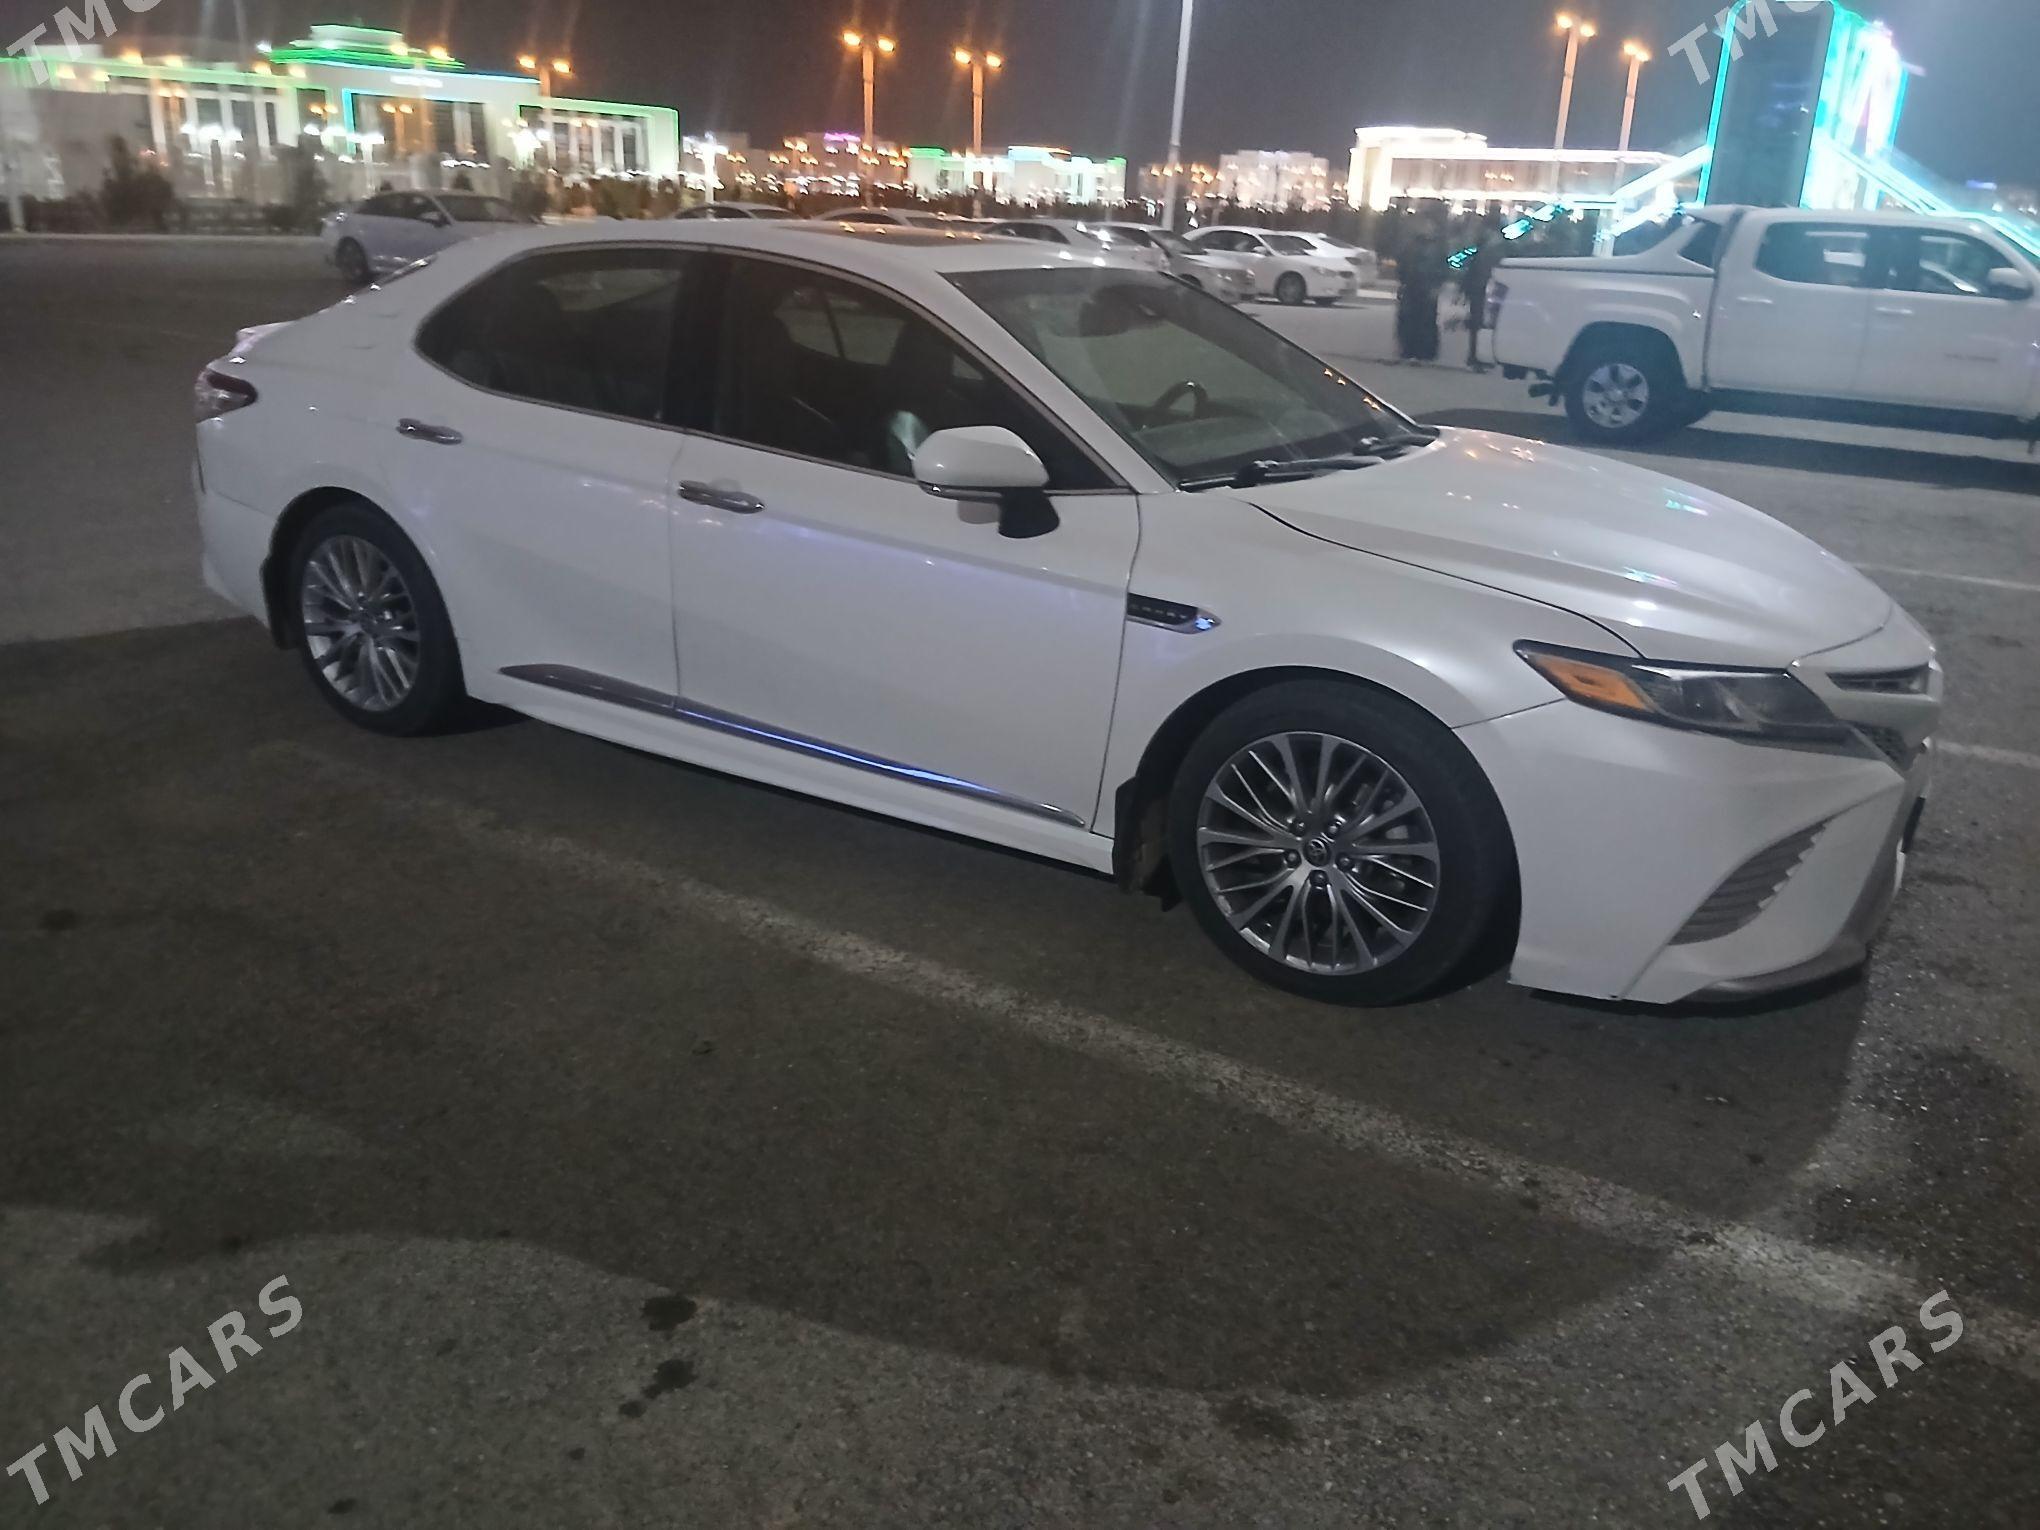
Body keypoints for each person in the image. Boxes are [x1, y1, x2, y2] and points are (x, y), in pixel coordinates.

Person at [1394, 213, 1445, 364]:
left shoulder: (1435, 247)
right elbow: (1403, 265)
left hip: (1426, 287)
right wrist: (1403, 282)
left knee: (1425, 320)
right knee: (1411, 319)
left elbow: (1441, 268)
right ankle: (1411, 349)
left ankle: (1423, 351)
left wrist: (1436, 285)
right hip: (1413, 286)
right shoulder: (1413, 245)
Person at [1459, 212, 1504, 371]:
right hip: (1484, 289)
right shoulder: (1492, 246)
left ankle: (1477, 356)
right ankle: (1477, 356)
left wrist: (1465, 288)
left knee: (1480, 324)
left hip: (1483, 289)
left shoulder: (1487, 246)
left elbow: (1474, 269)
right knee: (1480, 324)